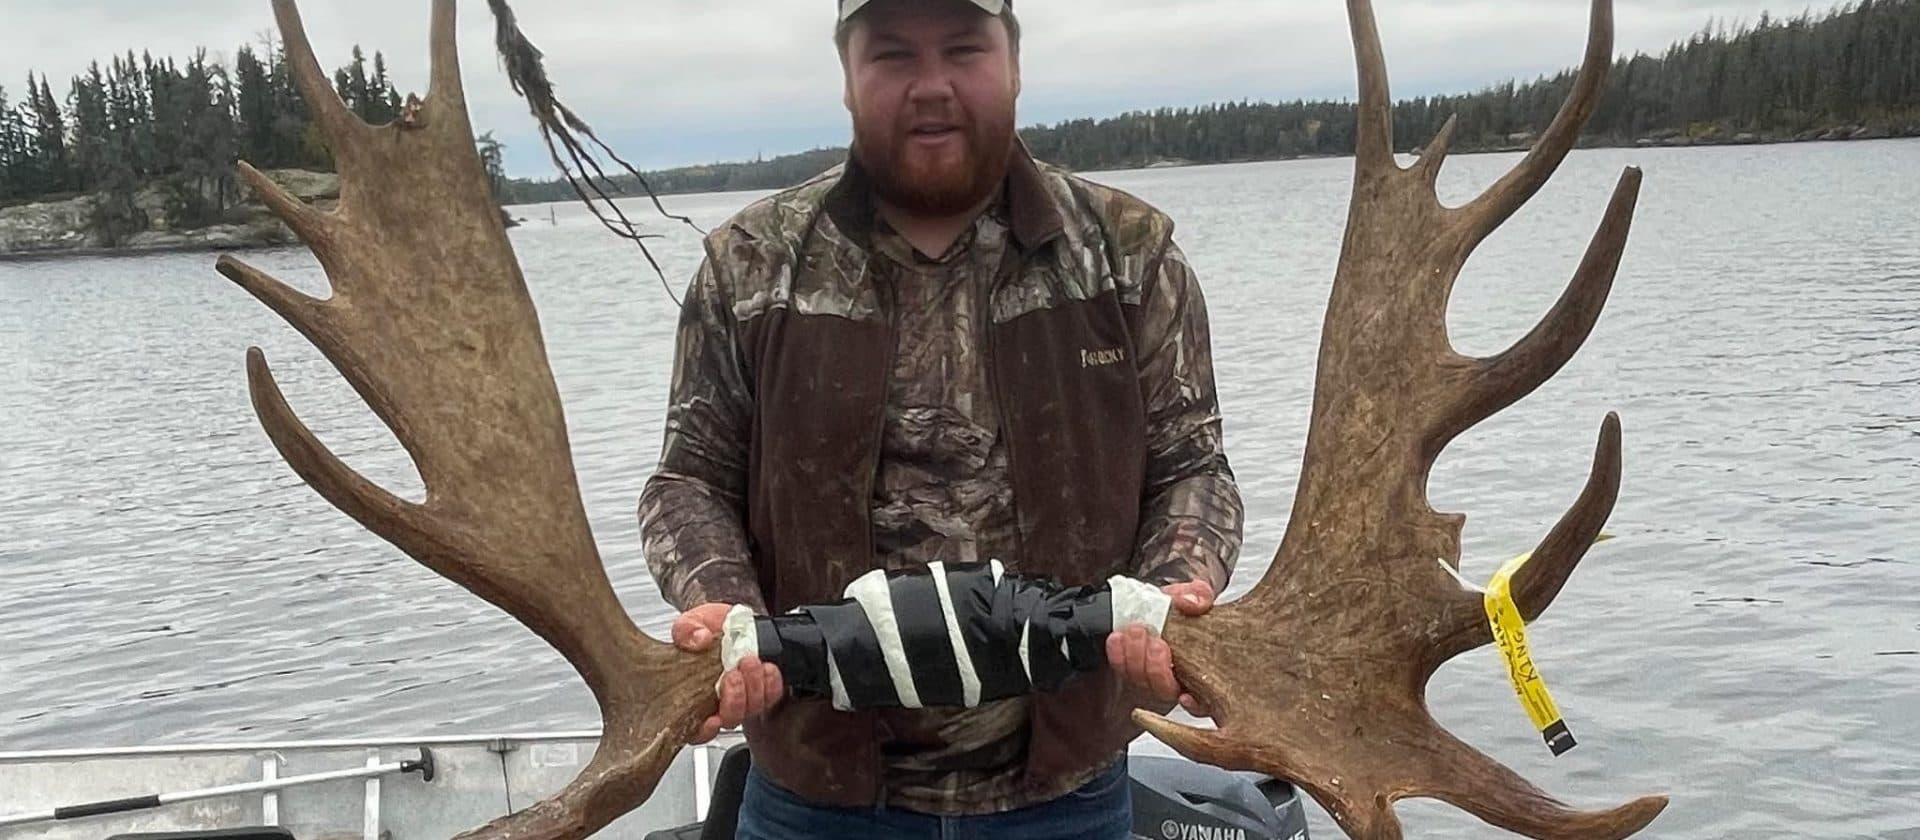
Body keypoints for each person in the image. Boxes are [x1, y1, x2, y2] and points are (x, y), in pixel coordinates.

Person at [636, 0, 1243, 836]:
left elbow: (1192, 469)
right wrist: (725, 612)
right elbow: (689, 480)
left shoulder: (1127, 255)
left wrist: (1173, 592)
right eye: (892, 56)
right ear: (847, 77)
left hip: (1066, 795)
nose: (932, 87)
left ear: (1015, 63)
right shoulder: (751, 264)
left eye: (963, 49)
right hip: (815, 797)